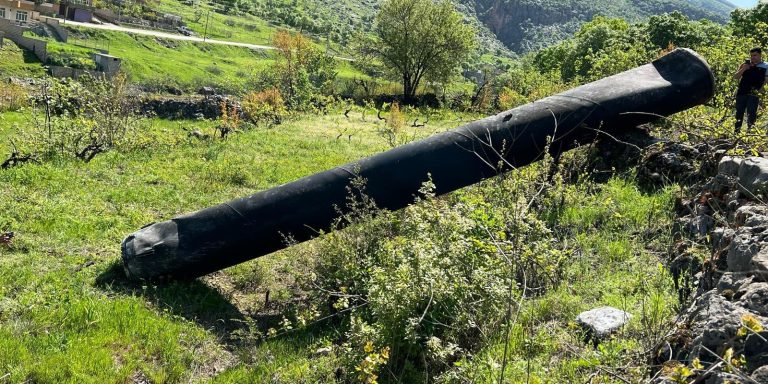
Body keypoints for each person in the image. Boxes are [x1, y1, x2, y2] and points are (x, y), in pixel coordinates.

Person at [733, 47, 768, 132]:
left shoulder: (766, 66)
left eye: (755, 55)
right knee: (738, 114)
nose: (753, 57)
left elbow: (766, 80)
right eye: (751, 55)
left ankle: (750, 134)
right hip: (742, 92)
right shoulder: (744, 64)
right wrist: (744, 68)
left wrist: (761, 91)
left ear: (760, 55)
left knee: (751, 114)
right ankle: (736, 133)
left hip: (754, 93)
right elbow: (735, 77)